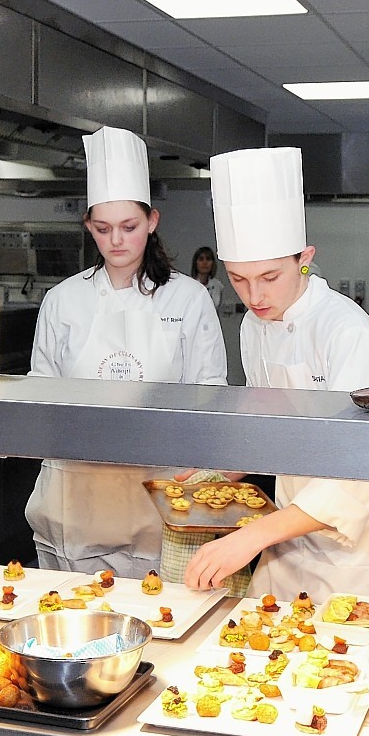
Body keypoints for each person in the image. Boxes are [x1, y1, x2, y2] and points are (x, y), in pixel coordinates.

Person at [183, 147, 369, 614]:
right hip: (288, 537)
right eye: (238, 279)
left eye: (269, 276)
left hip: (358, 551)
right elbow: (267, 425)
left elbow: (357, 473)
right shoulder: (254, 325)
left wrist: (251, 537)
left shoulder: (347, 331)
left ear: (305, 258)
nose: (254, 296)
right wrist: (215, 475)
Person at [25, 126, 227, 578]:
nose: (116, 240)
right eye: (103, 228)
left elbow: (210, 397)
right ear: (88, 227)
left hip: (156, 498)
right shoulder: (63, 299)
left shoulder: (188, 299)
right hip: (74, 500)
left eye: (129, 227)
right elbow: (40, 395)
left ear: (152, 221)